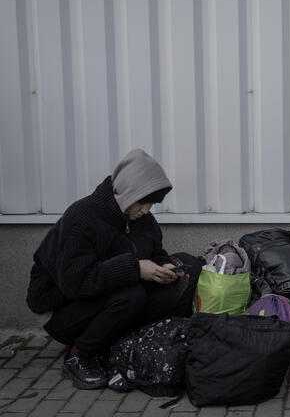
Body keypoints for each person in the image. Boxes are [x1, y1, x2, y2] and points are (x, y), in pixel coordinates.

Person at [26, 149, 202, 388]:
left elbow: (155, 253)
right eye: (143, 201)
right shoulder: (81, 217)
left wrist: (164, 268)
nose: (147, 210)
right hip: (60, 309)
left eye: (152, 203)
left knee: (187, 267)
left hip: (109, 296)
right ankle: (80, 354)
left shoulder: (142, 219)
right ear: (129, 193)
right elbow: (75, 282)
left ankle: (118, 343)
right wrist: (135, 269)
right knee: (131, 295)